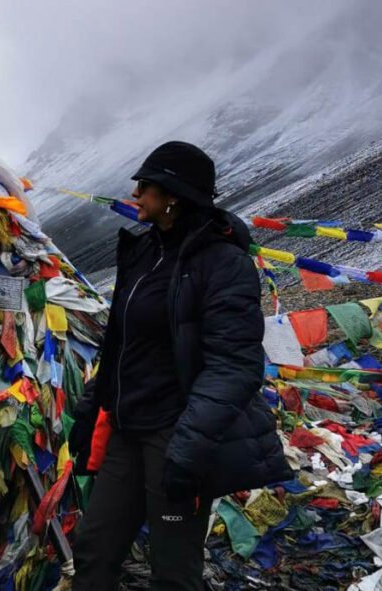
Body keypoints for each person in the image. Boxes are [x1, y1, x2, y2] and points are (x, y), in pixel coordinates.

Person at [69, 142, 292, 590]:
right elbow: (120, 343)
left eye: (145, 184)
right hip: (128, 430)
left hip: (177, 436)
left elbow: (235, 365)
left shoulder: (223, 264)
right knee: (95, 544)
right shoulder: (144, 252)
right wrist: (93, 407)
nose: (134, 193)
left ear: (173, 193)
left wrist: (187, 449)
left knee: (173, 566)